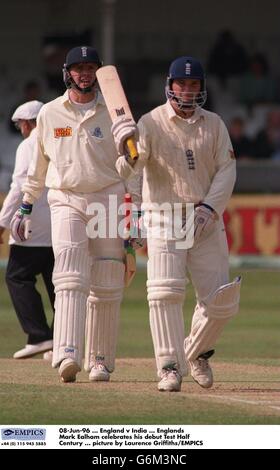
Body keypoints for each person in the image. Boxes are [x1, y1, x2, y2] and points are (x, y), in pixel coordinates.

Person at [10, 46, 141, 383]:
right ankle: (67, 352)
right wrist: (26, 205)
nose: (85, 73)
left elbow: (133, 167)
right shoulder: (50, 113)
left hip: (107, 195)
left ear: (98, 73)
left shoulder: (116, 112)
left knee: (107, 282)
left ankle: (100, 360)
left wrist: (136, 202)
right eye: (78, 68)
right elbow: (38, 166)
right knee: (69, 272)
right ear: (67, 73)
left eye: (91, 68)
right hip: (66, 196)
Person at [113, 56, 241, 392]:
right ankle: (169, 367)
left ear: (202, 88)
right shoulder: (151, 122)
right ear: (170, 87)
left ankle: (195, 351)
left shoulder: (214, 124)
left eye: (194, 85)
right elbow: (130, 172)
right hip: (163, 218)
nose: (187, 90)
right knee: (165, 293)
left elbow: (227, 171)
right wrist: (126, 155)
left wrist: (210, 208)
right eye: (181, 84)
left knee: (222, 300)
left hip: (204, 220)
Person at [0, 100, 55, 359]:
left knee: (17, 277)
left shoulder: (28, 144)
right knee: (60, 286)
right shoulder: (57, 138)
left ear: (29, 123)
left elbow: (19, 186)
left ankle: (39, 336)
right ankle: (63, 339)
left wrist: (2, 222)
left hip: (31, 226)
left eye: (21, 124)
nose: (20, 129)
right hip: (60, 225)